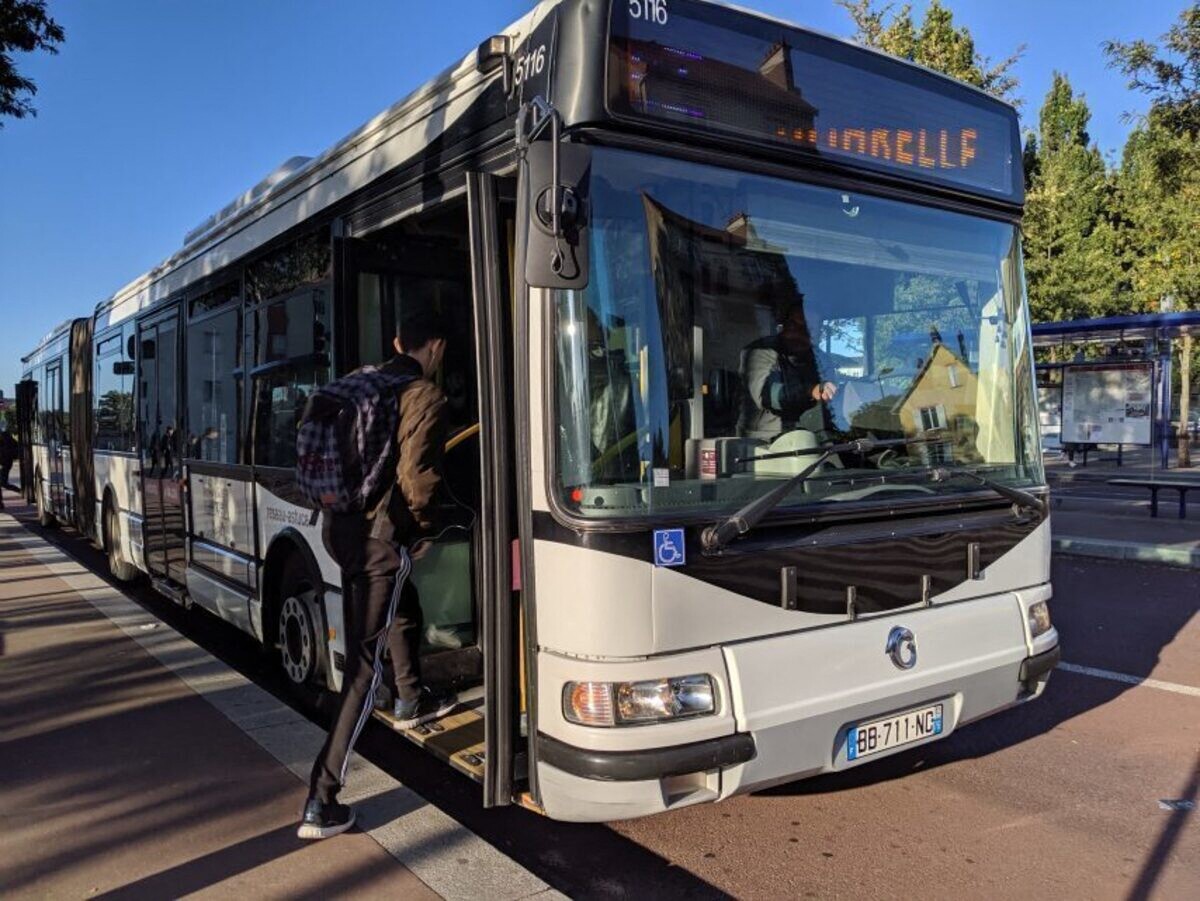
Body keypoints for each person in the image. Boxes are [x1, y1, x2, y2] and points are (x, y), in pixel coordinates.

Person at [299, 309, 458, 841]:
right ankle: (322, 800)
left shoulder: (362, 382)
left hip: (339, 529)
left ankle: (411, 695)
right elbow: (418, 476)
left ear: (396, 340)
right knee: (362, 674)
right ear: (434, 346)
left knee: (392, 606)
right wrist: (424, 530)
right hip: (377, 540)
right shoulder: (422, 396)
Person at [738, 299, 838, 442]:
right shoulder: (761, 351)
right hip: (765, 440)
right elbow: (765, 395)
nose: (799, 332)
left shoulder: (821, 358)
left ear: (819, 333)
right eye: (794, 325)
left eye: (809, 329)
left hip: (812, 434)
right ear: (784, 326)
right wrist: (810, 391)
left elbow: (831, 395)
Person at [0, 423, 17, 509]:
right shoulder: (7, 436)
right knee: (3, 482)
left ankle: (20, 491)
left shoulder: (5, 437)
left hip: (5, 462)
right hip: (6, 462)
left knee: (3, 483)